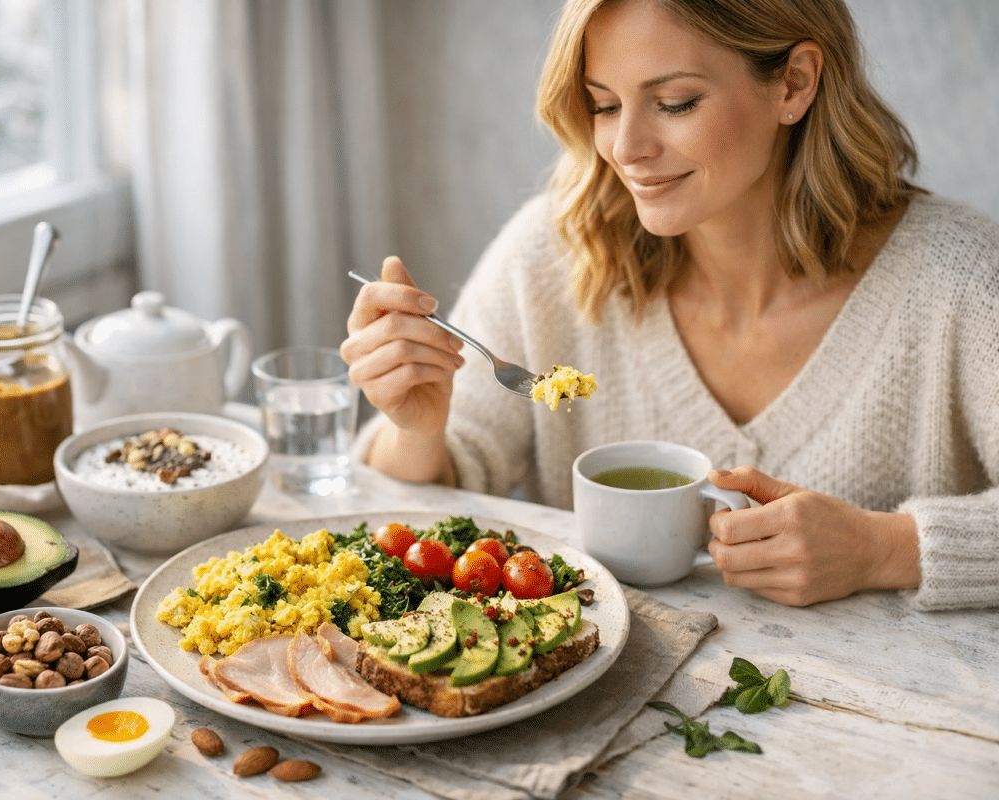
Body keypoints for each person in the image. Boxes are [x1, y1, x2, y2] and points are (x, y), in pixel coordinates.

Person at [341, 0, 999, 612]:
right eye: (603, 105)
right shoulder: (552, 254)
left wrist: (884, 548)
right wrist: (415, 424)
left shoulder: (955, 275)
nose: (627, 148)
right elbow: (426, 504)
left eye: (675, 102)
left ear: (795, 83)